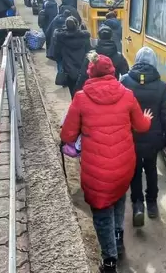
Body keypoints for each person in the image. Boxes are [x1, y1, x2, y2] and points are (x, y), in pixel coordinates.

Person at [60, 51, 153, 272]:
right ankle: (119, 240)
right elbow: (141, 126)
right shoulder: (127, 94)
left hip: (97, 173)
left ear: (90, 73)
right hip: (123, 167)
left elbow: (67, 136)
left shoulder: (81, 98)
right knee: (119, 200)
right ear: (112, 71)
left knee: (102, 214)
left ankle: (109, 261)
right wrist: (148, 119)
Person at [121, 47, 166, 227]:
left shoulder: (125, 82)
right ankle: (152, 204)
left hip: (131, 138)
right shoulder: (162, 87)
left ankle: (138, 205)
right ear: (154, 63)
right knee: (151, 169)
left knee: (135, 172)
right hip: (153, 140)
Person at [75, 25, 128, 90]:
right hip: (113, 90)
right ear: (111, 37)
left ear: (98, 37)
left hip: (94, 91)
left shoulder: (91, 56)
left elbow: (83, 76)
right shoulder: (119, 57)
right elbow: (125, 76)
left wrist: (77, 91)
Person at [54, 16, 92, 98]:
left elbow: (57, 53)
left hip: (68, 70)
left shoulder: (61, 38)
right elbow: (89, 52)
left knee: (73, 92)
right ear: (77, 25)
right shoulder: (85, 37)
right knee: (84, 92)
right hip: (83, 69)